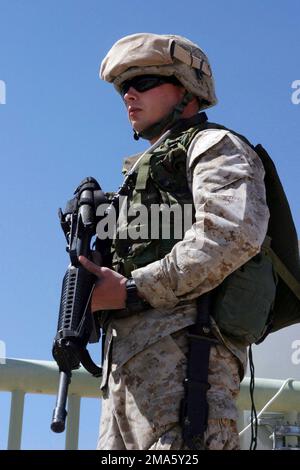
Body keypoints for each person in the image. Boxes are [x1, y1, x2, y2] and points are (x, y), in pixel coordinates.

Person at [79, 33, 270, 450]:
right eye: (123, 87)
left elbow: (232, 232)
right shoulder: (138, 175)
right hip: (126, 379)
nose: (129, 94)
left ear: (186, 89)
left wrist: (131, 289)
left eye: (144, 81)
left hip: (189, 370)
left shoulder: (214, 145)